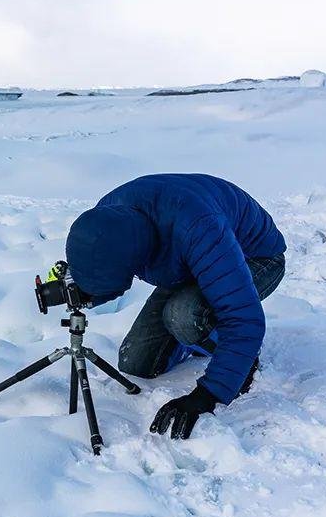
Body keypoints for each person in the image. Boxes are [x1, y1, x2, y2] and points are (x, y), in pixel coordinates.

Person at [65, 173, 286, 439]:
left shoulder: (198, 228)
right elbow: (106, 270)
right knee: (136, 363)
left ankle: (239, 356)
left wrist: (209, 393)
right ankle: (202, 335)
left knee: (184, 316)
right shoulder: (106, 221)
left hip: (254, 257)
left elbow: (243, 317)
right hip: (186, 260)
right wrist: (82, 290)